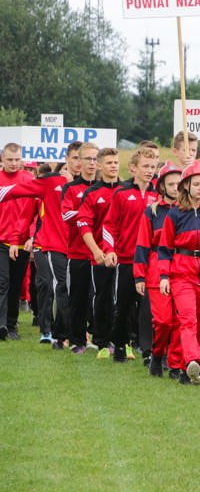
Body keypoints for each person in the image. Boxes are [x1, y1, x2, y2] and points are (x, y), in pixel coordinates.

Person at [0, 159, 70, 345]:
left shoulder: (83, 188)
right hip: (42, 244)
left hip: (74, 247)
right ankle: (45, 328)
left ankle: (70, 331)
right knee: (45, 284)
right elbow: (26, 216)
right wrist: (22, 238)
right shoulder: (47, 185)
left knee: (68, 288)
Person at [103, 147, 159, 363]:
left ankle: (148, 351)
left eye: (153, 167)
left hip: (150, 262)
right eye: (145, 166)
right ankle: (119, 344)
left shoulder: (159, 195)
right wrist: (110, 250)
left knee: (148, 309)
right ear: (133, 168)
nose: (149, 171)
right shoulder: (121, 193)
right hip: (126, 259)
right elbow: (109, 225)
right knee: (123, 306)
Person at [158, 161, 200, 385]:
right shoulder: (175, 215)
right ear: (186, 186)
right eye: (196, 184)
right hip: (182, 271)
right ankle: (192, 359)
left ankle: (183, 366)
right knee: (187, 319)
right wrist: (163, 276)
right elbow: (164, 248)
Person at [135, 162, 183, 378]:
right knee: (163, 320)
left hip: (182, 268)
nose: (175, 187)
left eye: (179, 183)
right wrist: (139, 275)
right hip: (156, 269)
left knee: (180, 320)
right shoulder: (152, 211)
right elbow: (143, 244)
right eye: (170, 183)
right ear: (162, 186)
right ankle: (157, 353)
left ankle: (175, 363)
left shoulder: (189, 211)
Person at [76, 147, 122, 359]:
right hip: (101, 257)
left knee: (124, 299)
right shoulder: (92, 193)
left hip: (126, 255)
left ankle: (125, 340)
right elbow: (83, 224)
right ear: (101, 166)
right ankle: (102, 340)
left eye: (116, 162)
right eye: (109, 163)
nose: (113, 166)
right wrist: (96, 250)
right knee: (102, 298)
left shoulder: (125, 190)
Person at [61, 141, 98, 353]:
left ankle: (99, 338)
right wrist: (88, 211)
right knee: (78, 298)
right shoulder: (71, 188)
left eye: (95, 159)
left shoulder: (105, 186)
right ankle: (76, 340)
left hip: (101, 255)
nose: (91, 163)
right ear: (79, 161)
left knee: (100, 299)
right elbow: (66, 215)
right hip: (77, 252)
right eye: (87, 159)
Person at [0, 143, 37, 340]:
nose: (14, 164)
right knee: (2, 282)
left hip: (22, 242)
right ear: (2, 160)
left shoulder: (29, 180)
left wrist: (32, 236)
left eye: (17, 160)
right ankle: (2, 324)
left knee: (15, 284)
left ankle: (12, 324)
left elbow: (35, 213)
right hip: (1, 240)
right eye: (10, 160)